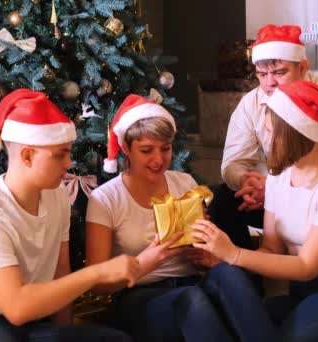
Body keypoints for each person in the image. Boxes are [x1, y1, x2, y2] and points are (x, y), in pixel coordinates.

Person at [0, 89, 140, 342]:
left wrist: (64, 335)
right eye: (60, 154)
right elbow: (17, 307)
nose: (69, 163)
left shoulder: (57, 195)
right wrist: (97, 273)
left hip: (26, 320)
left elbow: (60, 270)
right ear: (27, 155)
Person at [192, 81, 318, 341]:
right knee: (236, 324)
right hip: (306, 292)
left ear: (294, 134)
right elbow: (271, 250)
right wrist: (222, 259)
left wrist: (235, 254)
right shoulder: (278, 176)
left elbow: (307, 265)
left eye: (271, 133)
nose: (266, 141)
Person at [85, 94, 236, 342]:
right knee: (194, 300)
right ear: (126, 149)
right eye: (146, 150)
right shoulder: (105, 199)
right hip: (138, 296)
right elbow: (97, 282)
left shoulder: (184, 182)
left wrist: (204, 252)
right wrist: (146, 262)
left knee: (230, 277)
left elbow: (205, 256)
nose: (158, 159)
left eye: (165, 149)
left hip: (192, 282)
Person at [208, 24, 318, 250]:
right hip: (278, 192)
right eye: (262, 75)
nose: (269, 82)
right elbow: (233, 163)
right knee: (224, 198)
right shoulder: (251, 103)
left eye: (279, 72)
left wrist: (276, 190)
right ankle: (243, 278)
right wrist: (246, 181)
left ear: (303, 67)